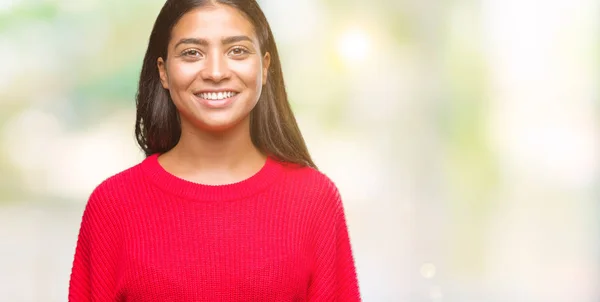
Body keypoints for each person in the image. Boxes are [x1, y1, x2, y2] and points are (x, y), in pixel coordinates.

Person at [68, 0, 361, 301]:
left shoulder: (314, 200)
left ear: (265, 67)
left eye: (237, 51)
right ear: (164, 72)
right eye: (192, 53)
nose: (216, 72)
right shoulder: (112, 206)